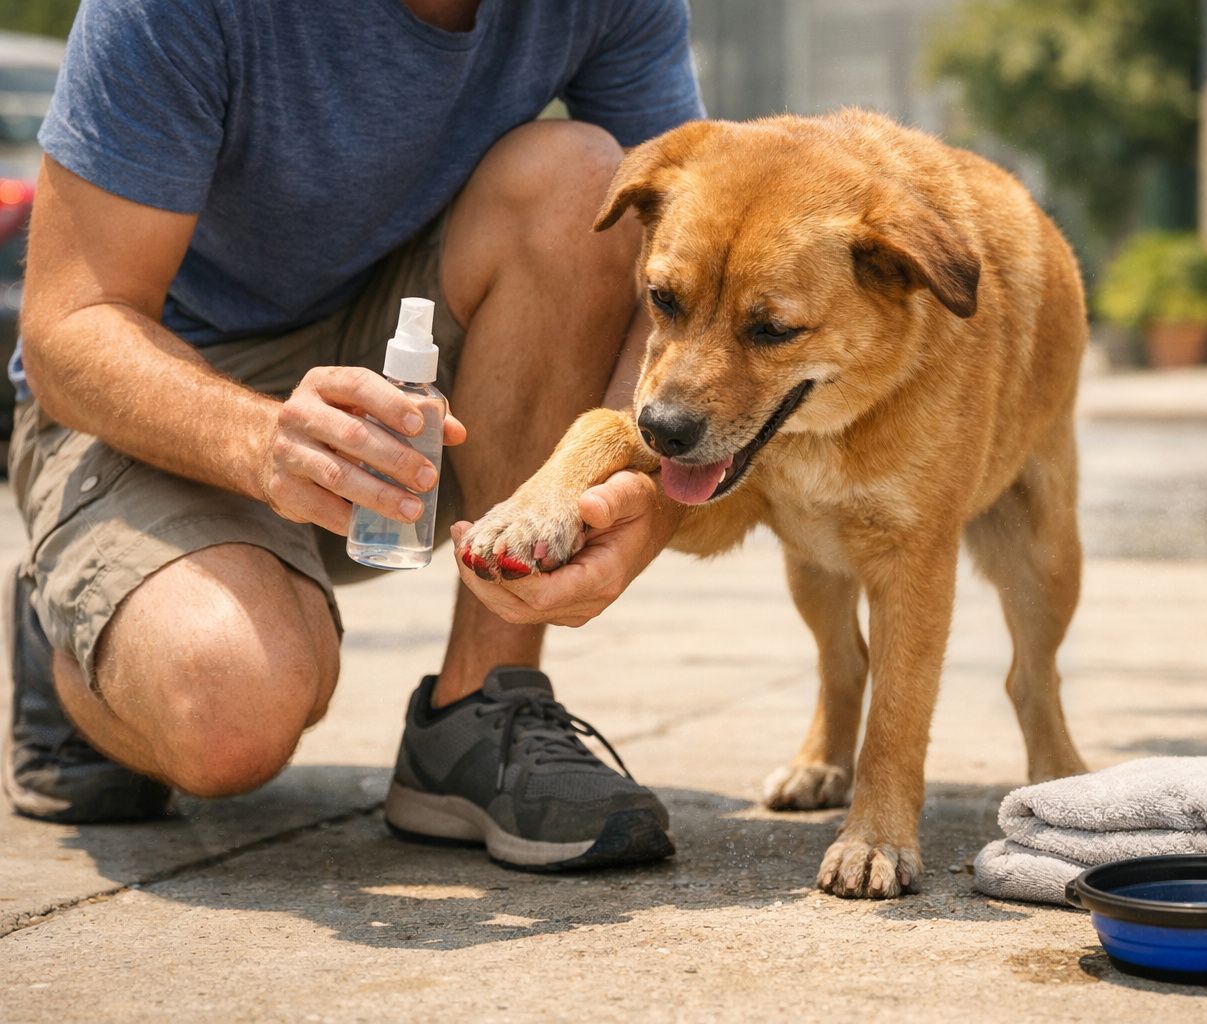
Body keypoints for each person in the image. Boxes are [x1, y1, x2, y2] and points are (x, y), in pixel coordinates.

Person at [2, 0, 702, 872]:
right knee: (231, 712)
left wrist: (646, 495)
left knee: (587, 184)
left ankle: (479, 710)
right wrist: (259, 442)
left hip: (397, 366)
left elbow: (691, 262)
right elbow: (67, 330)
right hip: (145, 394)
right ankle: (63, 632)